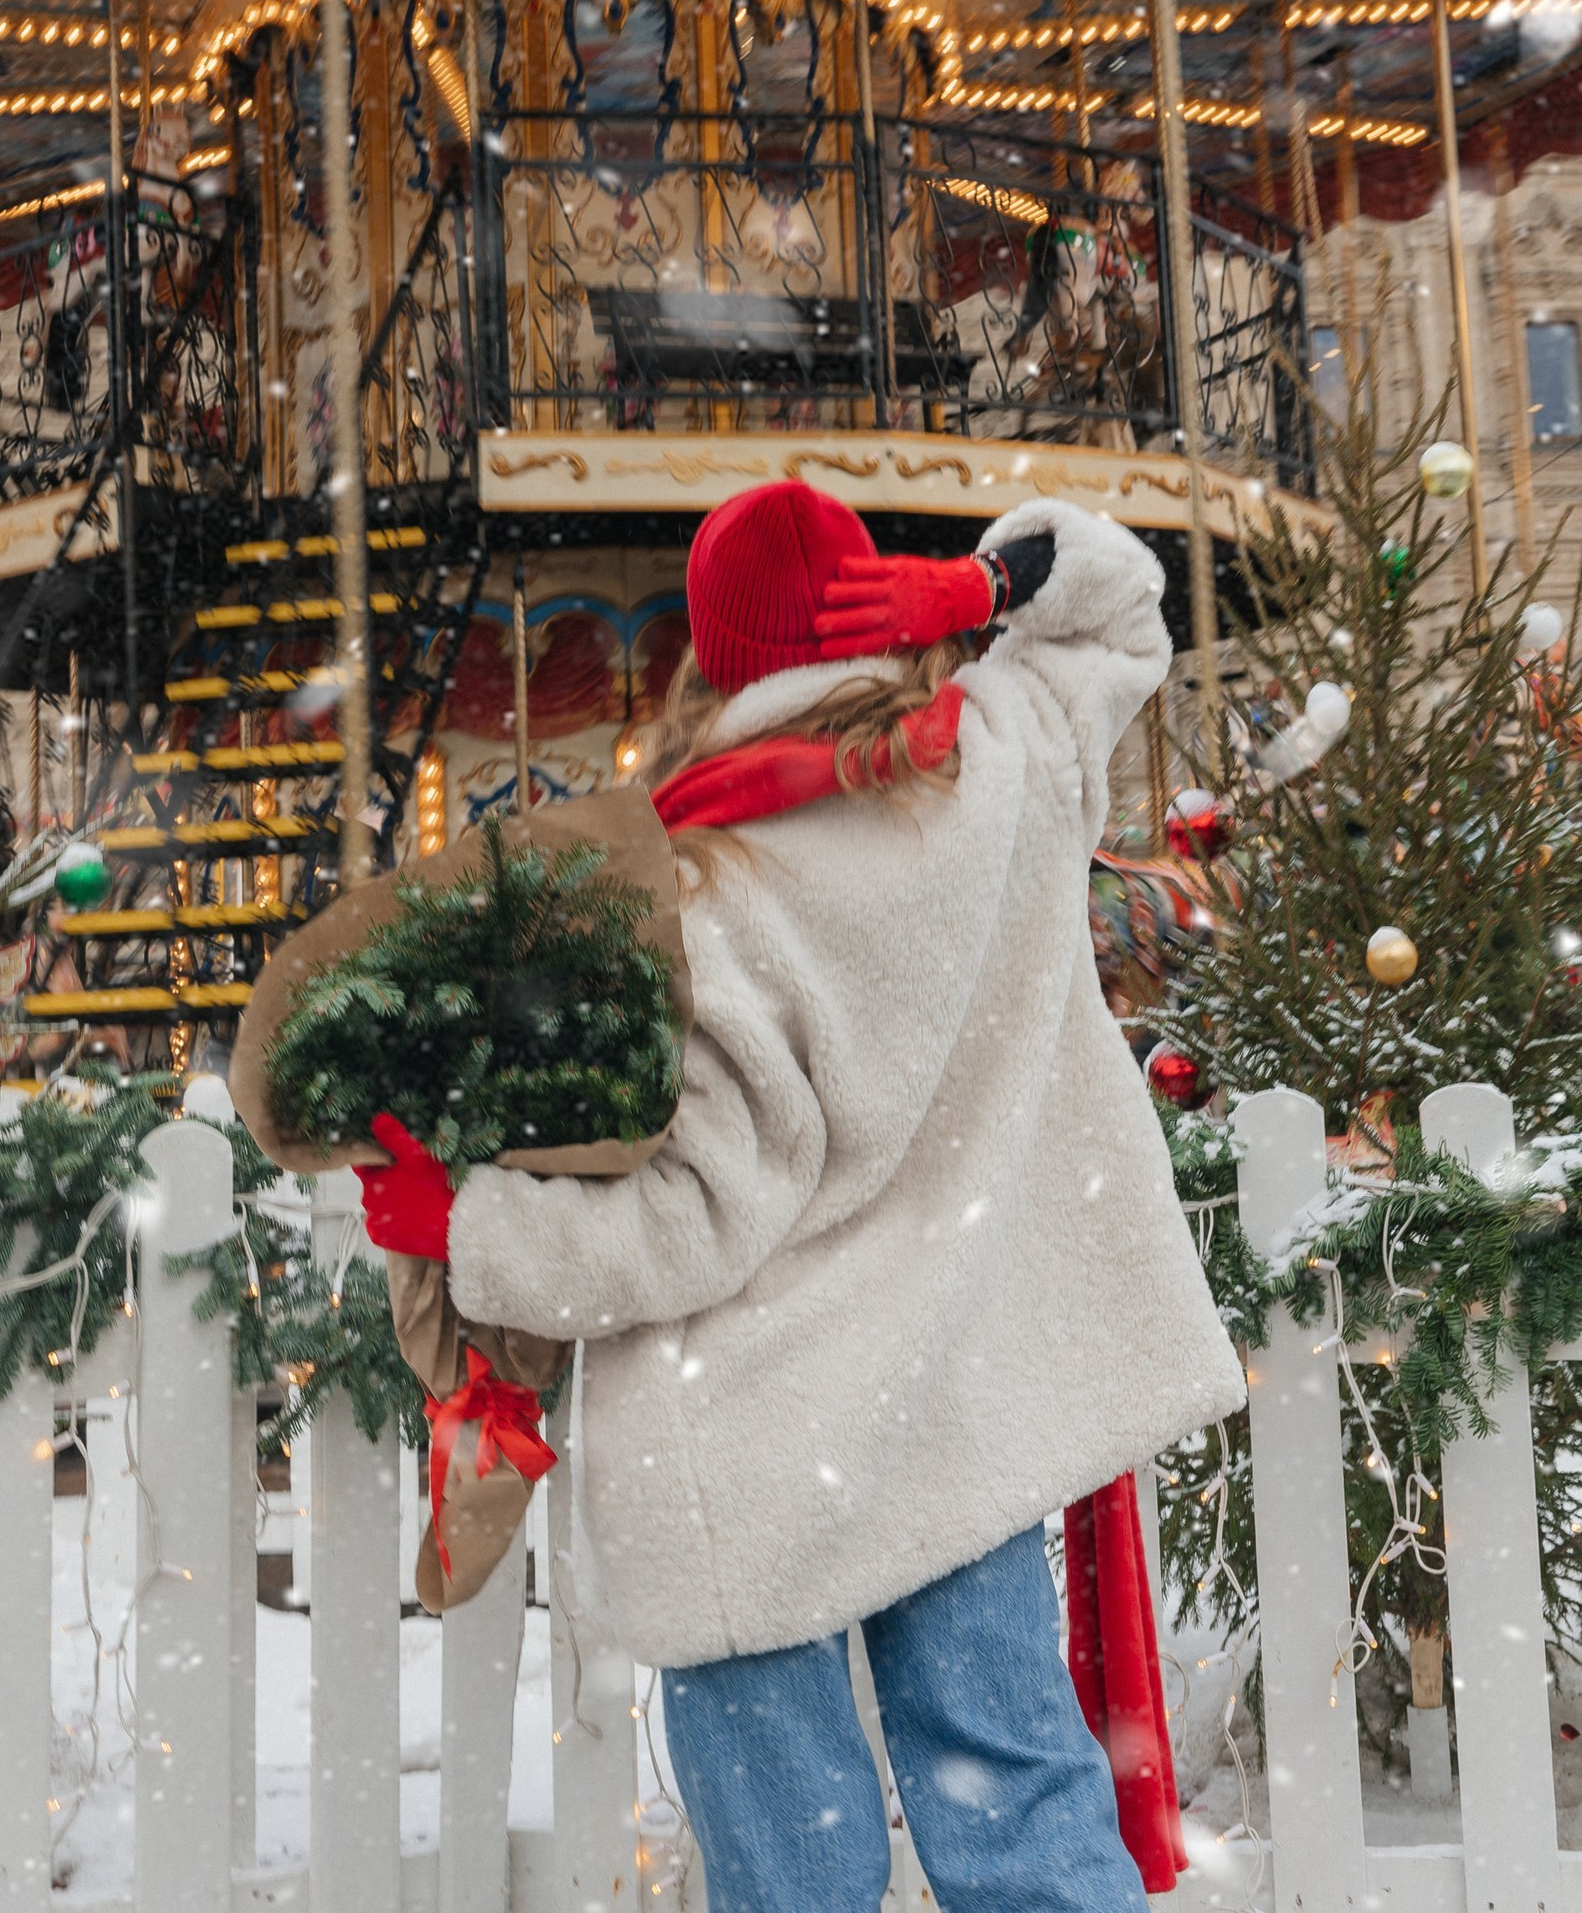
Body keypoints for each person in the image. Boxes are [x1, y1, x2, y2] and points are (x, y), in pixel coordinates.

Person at [357, 480, 1244, 1911]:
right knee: (1020, 1806)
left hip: (754, 1465)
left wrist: (466, 1234)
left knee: (793, 1872)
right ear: (873, 599)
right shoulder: (1011, 758)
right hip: (959, 1423)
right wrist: (982, 590)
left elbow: (684, 1226)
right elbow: (1121, 598)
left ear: (704, 662)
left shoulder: (698, 896)